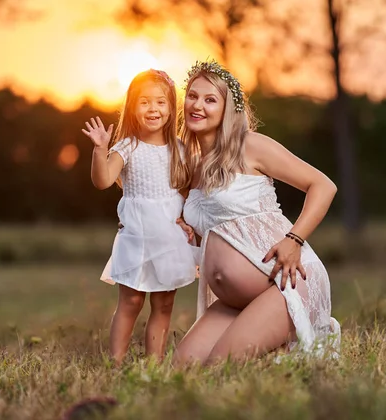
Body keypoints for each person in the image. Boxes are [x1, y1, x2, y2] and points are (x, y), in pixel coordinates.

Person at [176, 60, 341, 365]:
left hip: (285, 284)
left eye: (210, 100)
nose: (197, 105)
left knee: (217, 369)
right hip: (235, 300)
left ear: (227, 110)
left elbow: (323, 186)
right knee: (181, 368)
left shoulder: (249, 146)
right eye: (192, 96)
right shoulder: (195, 166)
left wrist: (294, 240)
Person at [82, 69, 196, 364]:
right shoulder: (127, 146)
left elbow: (186, 191)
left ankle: (153, 364)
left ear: (171, 108)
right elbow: (103, 180)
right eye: (144, 102)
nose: (153, 109)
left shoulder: (180, 150)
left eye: (160, 102)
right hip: (137, 237)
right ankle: (116, 362)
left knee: (164, 303)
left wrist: (186, 219)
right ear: (132, 107)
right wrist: (100, 149)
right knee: (131, 302)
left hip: (170, 239)